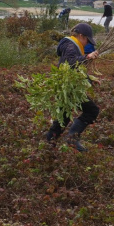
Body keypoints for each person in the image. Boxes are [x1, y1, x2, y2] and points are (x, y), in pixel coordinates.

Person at [44, 23, 100, 152]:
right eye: (87, 40)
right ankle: (72, 138)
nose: (87, 44)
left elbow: (74, 69)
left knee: (63, 118)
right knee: (92, 111)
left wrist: (90, 79)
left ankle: (48, 147)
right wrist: (87, 56)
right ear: (81, 36)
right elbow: (71, 63)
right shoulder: (70, 45)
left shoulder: (73, 45)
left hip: (68, 87)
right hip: (68, 88)